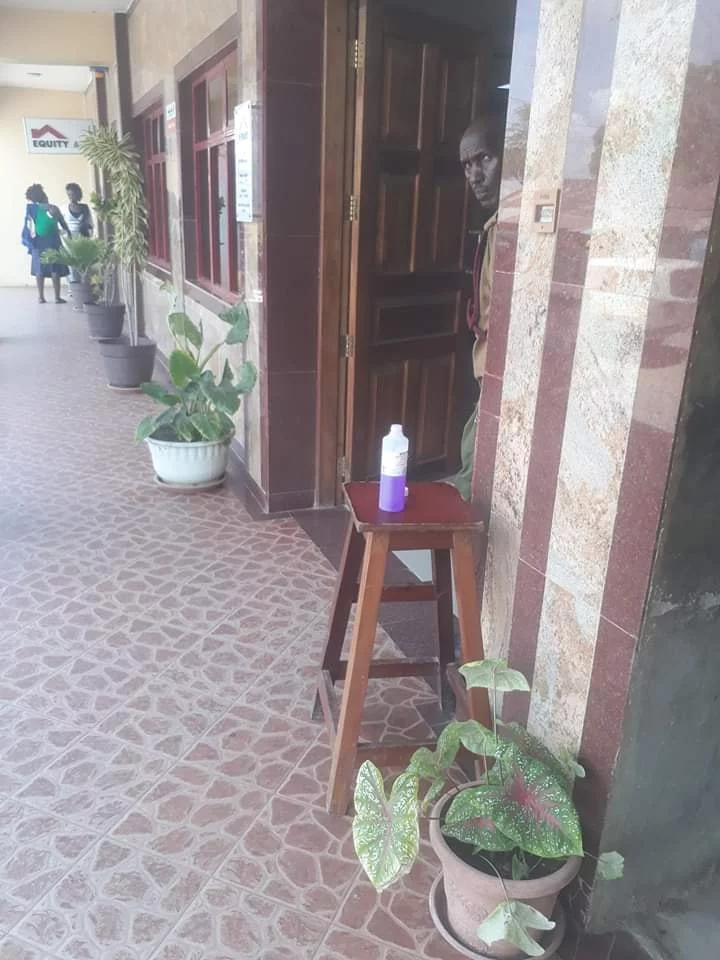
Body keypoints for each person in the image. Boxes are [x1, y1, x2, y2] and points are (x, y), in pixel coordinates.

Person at [448, 116, 502, 501]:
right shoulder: (494, 227)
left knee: (473, 465)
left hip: (502, 371)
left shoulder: (510, 229)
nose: (474, 175)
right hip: (488, 367)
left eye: (484, 158)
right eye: (467, 165)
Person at [21, 184, 70, 304]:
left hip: (37, 241)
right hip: (53, 240)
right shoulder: (53, 208)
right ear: (43, 195)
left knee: (39, 269)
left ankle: (41, 297)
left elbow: (29, 226)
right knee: (55, 268)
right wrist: (68, 232)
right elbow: (62, 222)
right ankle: (57, 297)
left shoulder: (32, 209)